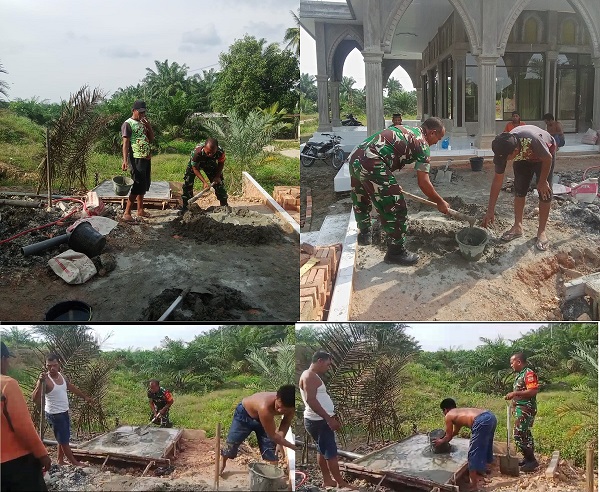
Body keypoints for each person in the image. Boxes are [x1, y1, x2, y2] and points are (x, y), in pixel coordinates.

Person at [349, 117, 449, 265]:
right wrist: (440, 202)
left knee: (360, 195)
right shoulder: (422, 144)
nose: (436, 143)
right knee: (396, 207)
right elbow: (423, 183)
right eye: (438, 138)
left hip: (355, 157)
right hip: (372, 163)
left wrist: (390, 184)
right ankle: (396, 252)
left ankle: (364, 233)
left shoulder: (408, 130)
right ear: (432, 133)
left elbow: (387, 152)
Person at [482, 125, 556, 251]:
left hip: (544, 156)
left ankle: (541, 231)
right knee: (519, 189)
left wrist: (543, 181)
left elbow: (548, 158)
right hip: (523, 159)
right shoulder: (503, 148)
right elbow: (497, 181)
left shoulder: (532, 139)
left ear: (515, 151)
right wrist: (490, 210)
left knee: (544, 192)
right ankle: (517, 226)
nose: (505, 161)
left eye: (507, 158)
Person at [299, 351, 357, 490]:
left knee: (322, 449)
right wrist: (329, 419)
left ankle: (327, 480)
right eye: (327, 364)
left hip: (317, 420)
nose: (328, 367)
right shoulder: (310, 376)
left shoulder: (310, 375)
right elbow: (311, 400)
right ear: (319, 361)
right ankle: (340, 482)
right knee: (331, 453)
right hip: (319, 421)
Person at [1, 342, 51, 491]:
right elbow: (22, 426)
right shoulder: (7, 384)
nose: (8, 364)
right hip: (16, 463)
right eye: (7, 360)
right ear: (3, 358)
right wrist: (42, 453)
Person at [32, 353, 94, 467]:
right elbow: (34, 398)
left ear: (59, 364)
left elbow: (71, 387)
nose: (52, 368)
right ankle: (74, 462)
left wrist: (85, 397)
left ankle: (60, 460)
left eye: (54, 365)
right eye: (49, 366)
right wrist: (40, 383)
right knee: (64, 441)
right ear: (46, 366)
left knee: (62, 438)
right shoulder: (45, 380)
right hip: (54, 414)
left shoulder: (62, 376)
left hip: (64, 411)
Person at [220, 385, 296, 476]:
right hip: (244, 415)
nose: (279, 410)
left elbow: (286, 422)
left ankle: (272, 475)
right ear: (277, 397)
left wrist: (281, 439)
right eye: (279, 406)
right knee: (232, 443)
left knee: (271, 448)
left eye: (284, 410)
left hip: (264, 420)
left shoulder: (291, 408)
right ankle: (223, 462)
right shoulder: (264, 407)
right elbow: (273, 436)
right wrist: (291, 446)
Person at [433, 398, 497, 492]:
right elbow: (454, 433)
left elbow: (448, 436)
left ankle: (473, 485)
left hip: (481, 421)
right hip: (490, 416)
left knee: (472, 453)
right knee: (485, 445)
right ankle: (483, 469)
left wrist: (440, 441)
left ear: (445, 410)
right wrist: (444, 438)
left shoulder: (448, 416)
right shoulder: (458, 413)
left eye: (443, 411)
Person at [121, 100, 155, 222]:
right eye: (140, 112)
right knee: (138, 184)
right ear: (133, 111)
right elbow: (125, 143)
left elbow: (151, 138)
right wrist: (125, 160)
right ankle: (127, 212)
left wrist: (148, 125)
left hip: (146, 157)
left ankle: (140, 210)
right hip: (136, 158)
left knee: (144, 184)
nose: (142, 115)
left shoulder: (142, 123)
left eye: (144, 112)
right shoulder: (128, 124)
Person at [505, 352, 539, 472]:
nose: (511, 365)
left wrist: (515, 393)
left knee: (518, 434)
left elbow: (533, 391)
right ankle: (528, 458)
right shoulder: (520, 374)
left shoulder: (528, 373)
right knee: (525, 434)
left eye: (512, 363)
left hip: (527, 408)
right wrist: (514, 405)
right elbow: (520, 391)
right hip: (521, 408)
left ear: (518, 362)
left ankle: (532, 461)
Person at [181, 137, 229, 209]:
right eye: (208, 152)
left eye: (212, 152)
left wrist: (217, 176)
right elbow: (195, 168)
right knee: (188, 182)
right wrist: (204, 182)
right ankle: (186, 206)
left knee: (219, 183)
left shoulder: (220, 152)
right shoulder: (196, 153)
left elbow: (221, 163)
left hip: (210, 163)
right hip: (196, 164)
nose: (210, 154)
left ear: (216, 149)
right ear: (204, 148)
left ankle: (224, 205)